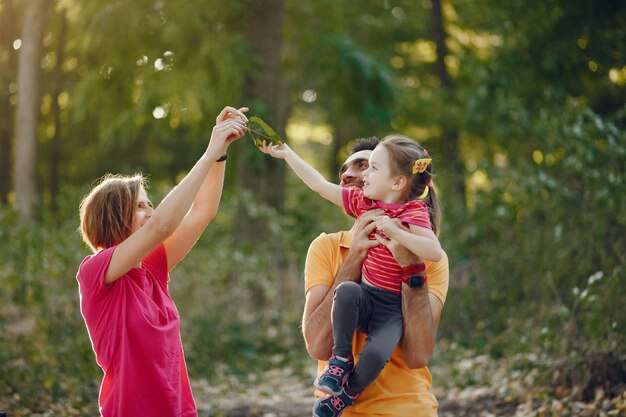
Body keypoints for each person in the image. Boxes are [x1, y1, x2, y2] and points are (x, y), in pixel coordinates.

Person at [76, 106, 248, 417]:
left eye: (150, 204)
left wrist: (221, 153)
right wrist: (209, 151)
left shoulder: (152, 269)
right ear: (112, 216)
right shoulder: (96, 271)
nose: (151, 212)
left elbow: (202, 211)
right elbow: (163, 226)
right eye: (140, 206)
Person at [260, 135, 448, 417]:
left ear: (397, 181)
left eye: (369, 166)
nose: (350, 174)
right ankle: (340, 366)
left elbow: (418, 355)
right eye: (345, 170)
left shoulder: (419, 238)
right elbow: (316, 344)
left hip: (408, 408)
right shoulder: (326, 247)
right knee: (346, 292)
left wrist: (410, 265)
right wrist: (288, 154)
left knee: (375, 353)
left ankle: (348, 391)